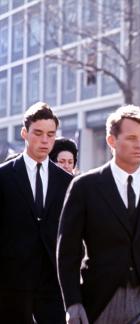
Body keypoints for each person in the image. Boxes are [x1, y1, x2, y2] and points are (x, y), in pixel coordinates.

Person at [57, 105, 140, 324]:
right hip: (100, 299)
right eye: (131, 138)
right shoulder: (85, 186)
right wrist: (72, 302)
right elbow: (68, 251)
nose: (139, 145)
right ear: (112, 141)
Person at [0, 102, 73, 323]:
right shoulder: (3, 177)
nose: (45, 140)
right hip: (11, 281)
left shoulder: (67, 181)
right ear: (24, 133)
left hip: (53, 282)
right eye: (38, 133)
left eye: (51, 135)